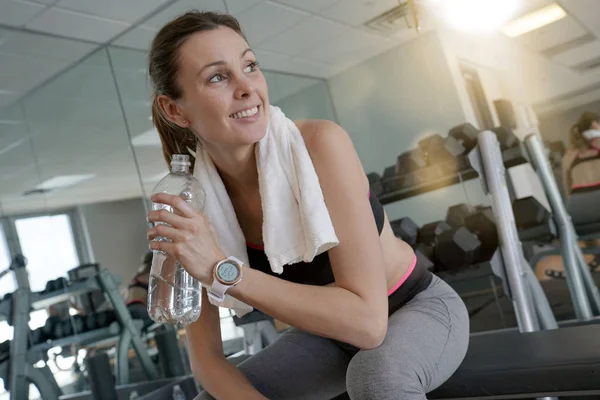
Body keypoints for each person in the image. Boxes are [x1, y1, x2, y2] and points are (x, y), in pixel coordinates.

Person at [145, 10, 469, 400]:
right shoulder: (191, 200)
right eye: (217, 76)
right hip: (326, 337)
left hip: (414, 307)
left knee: (375, 377)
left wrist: (221, 270)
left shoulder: (320, 144)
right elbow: (207, 362)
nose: (247, 88)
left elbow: (369, 324)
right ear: (174, 110)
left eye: (249, 66)